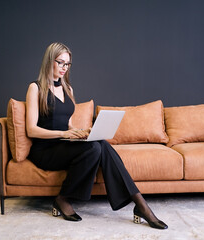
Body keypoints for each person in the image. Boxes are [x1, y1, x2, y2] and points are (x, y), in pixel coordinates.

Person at [25, 42, 168, 230]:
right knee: (96, 147)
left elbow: (66, 122)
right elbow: (31, 130)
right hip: (45, 150)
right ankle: (140, 205)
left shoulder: (68, 89)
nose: (64, 68)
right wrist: (63, 133)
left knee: (97, 144)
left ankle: (137, 203)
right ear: (49, 61)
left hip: (63, 144)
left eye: (67, 64)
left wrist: (79, 132)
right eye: (60, 62)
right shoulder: (35, 88)